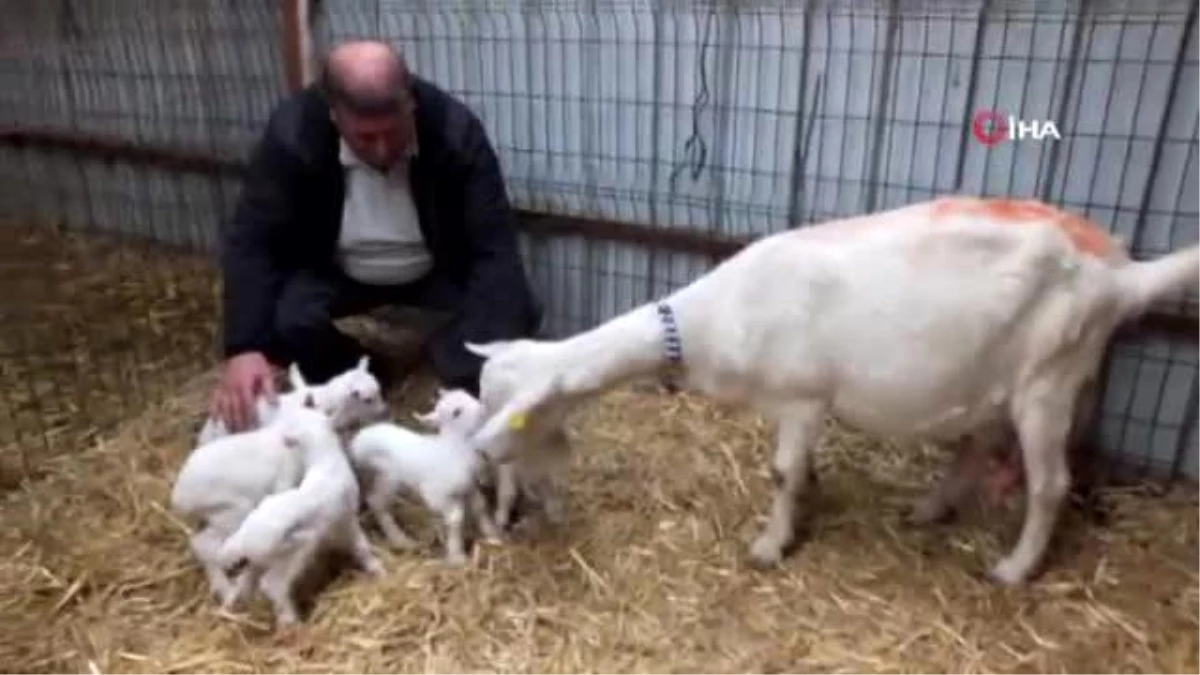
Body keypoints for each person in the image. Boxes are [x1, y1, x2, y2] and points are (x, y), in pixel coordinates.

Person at [209, 40, 542, 432]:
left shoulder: (455, 131)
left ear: (411, 103)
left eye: (394, 132)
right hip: (339, 271)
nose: (383, 149)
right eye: (366, 138)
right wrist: (245, 347)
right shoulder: (293, 134)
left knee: (517, 307)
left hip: (436, 268)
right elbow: (253, 238)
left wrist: (471, 367)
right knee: (287, 322)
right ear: (334, 115)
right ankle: (367, 371)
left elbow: (494, 246)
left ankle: (441, 359)